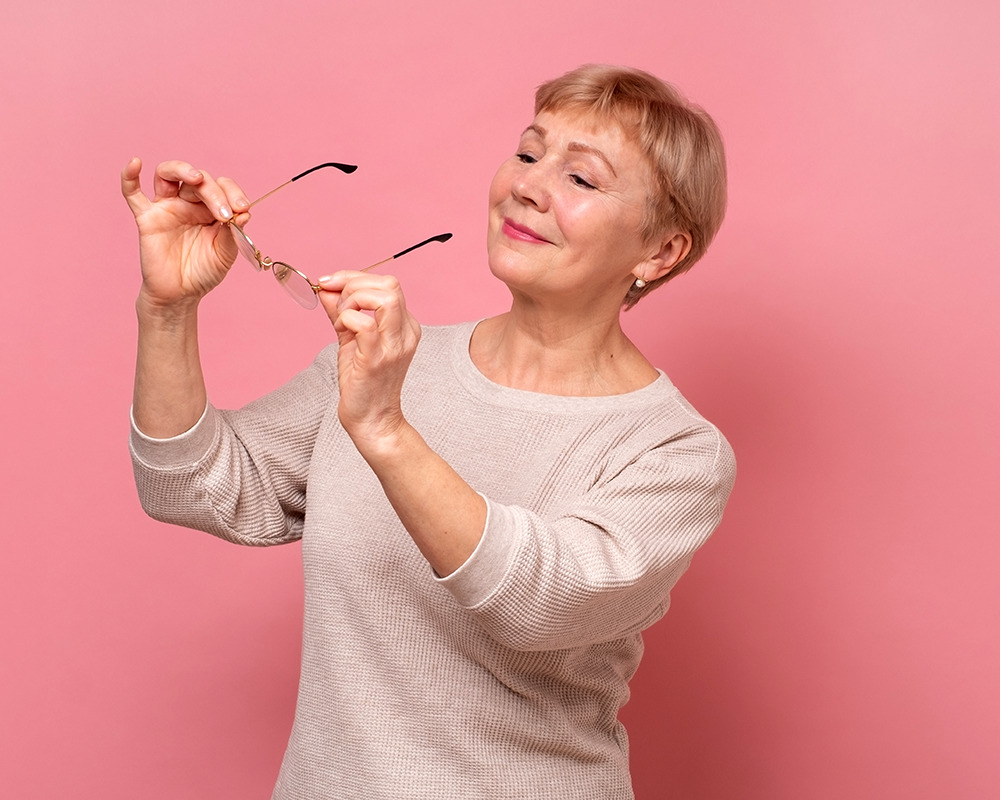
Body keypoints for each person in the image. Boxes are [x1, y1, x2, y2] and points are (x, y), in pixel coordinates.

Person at [121, 64, 736, 799]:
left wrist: (384, 427)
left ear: (661, 251)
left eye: (582, 180)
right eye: (530, 153)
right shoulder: (386, 365)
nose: (529, 187)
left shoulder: (674, 451)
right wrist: (167, 310)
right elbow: (188, 487)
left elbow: (535, 601)